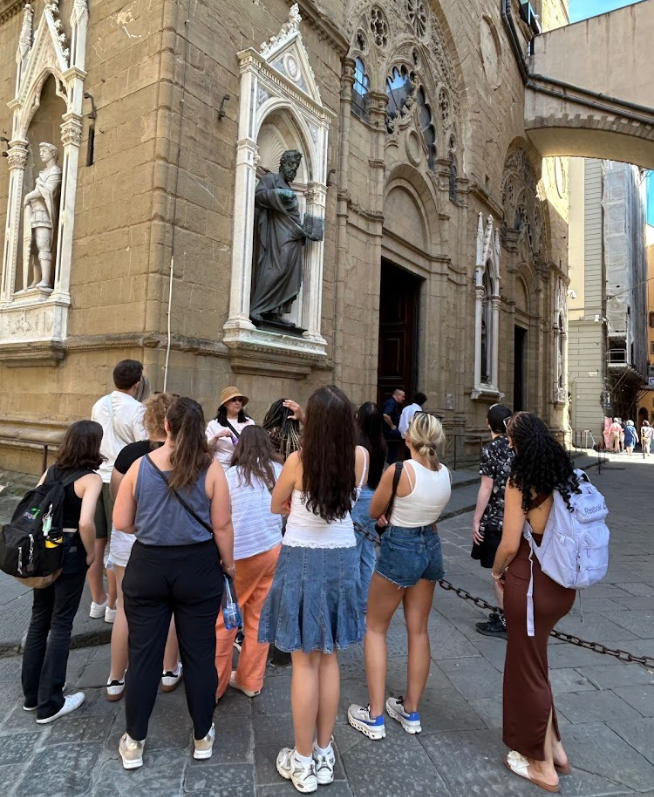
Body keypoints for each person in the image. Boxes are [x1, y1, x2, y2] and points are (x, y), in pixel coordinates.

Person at [113, 397, 234, 769]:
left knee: (143, 655)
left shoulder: (139, 466)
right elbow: (223, 525)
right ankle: (201, 735)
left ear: (166, 426)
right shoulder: (211, 469)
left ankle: (135, 740)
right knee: (199, 655)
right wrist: (228, 565)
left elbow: (121, 522)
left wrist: (152, 528)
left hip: (149, 563)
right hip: (197, 567)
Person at [259, 386, 368, 793]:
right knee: (330, 656)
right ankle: (324, 751)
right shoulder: (360, 458)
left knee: (304, 662)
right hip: (342, 558)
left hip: (302, 557)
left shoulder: (297, 461)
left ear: (314, 424)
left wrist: (290, 504)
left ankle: (302, 760)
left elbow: (275, 505)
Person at [348, 413, 451, 741]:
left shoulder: (399, 471)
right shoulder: (445, 473)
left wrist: (390, 510)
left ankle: (375, 714)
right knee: (418, 630)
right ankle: (411, 709)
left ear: (409, 437)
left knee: (375, 628)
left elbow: (373, 510)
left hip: (401, 545)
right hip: (430, 546)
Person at [492, 412, 579, 793]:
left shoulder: (521, 480)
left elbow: (510, 544)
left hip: (531, 585)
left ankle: (542, 766)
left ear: (515, 444)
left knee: (525, 670)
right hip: (562, 585)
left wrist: (496, 572)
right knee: (536, 663)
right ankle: (555, 747)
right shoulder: (563, 473)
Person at [21, 421, 103, 723]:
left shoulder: (51, 470)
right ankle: (51, 701)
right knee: (62, 623)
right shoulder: (90, 479)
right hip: (70, 550)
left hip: (45, 551)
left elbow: (35, 506)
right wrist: (91, 552)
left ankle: (32, 694)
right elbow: (85, 523)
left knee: (39, 618)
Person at [106, 393, 181, 702]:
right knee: (174, 607)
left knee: (126, 607)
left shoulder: (129, 454)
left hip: (130, 535)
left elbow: (116, 495)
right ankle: (168, 669)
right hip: (168, 536)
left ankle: (115, 678)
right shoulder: (181, 456)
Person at [215, 426, 283, 699]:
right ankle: (251, 680)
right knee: (258, 618)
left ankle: (215, 686)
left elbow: (220, 518)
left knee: (225, 621)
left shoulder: (229, 476)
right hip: (272, 549)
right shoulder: (277, 471)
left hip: (240, 556)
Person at [90, 359, 148, 622]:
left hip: (96, 477)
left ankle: (97, 600)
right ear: (137, 384)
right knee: (119, 544)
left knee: (96, 543)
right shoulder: (138, 410)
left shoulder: (98, 405)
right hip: (121, 479)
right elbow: (143, 446)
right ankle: (114, 605)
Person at [471, 404, 514, 638]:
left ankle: (507, 621)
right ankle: (511, 613)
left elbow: (486, 487)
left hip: (497, 519)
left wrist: (476, 519)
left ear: (488, 423)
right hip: (520, 518)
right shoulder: (519, 445)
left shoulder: (490, 449)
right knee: (513, 571)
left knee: (499, 573)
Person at [352, 402, 388, 601]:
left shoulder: (357, 444)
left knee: (354, 551)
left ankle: (354, 599)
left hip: (359, 497)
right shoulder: (381, 443)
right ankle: (366, 598)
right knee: (368, 552)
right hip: (374, 497)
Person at [206, 386, 256, 471]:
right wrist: (216, 437)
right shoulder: (213, 424)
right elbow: (206, 449)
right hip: (222, 467)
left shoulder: (249, 422)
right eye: (233, 400)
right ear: (225, 404)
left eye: (239, 400)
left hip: (243, 466)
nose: (237, 403)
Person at [381, 388, 406, 463]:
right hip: (388, 431)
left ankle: (391, 460)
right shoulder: (391, 403)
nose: (403, 399)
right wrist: (392, 426)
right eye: (402, 396)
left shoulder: (392, 403)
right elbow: (385, 415)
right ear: (397, 395)